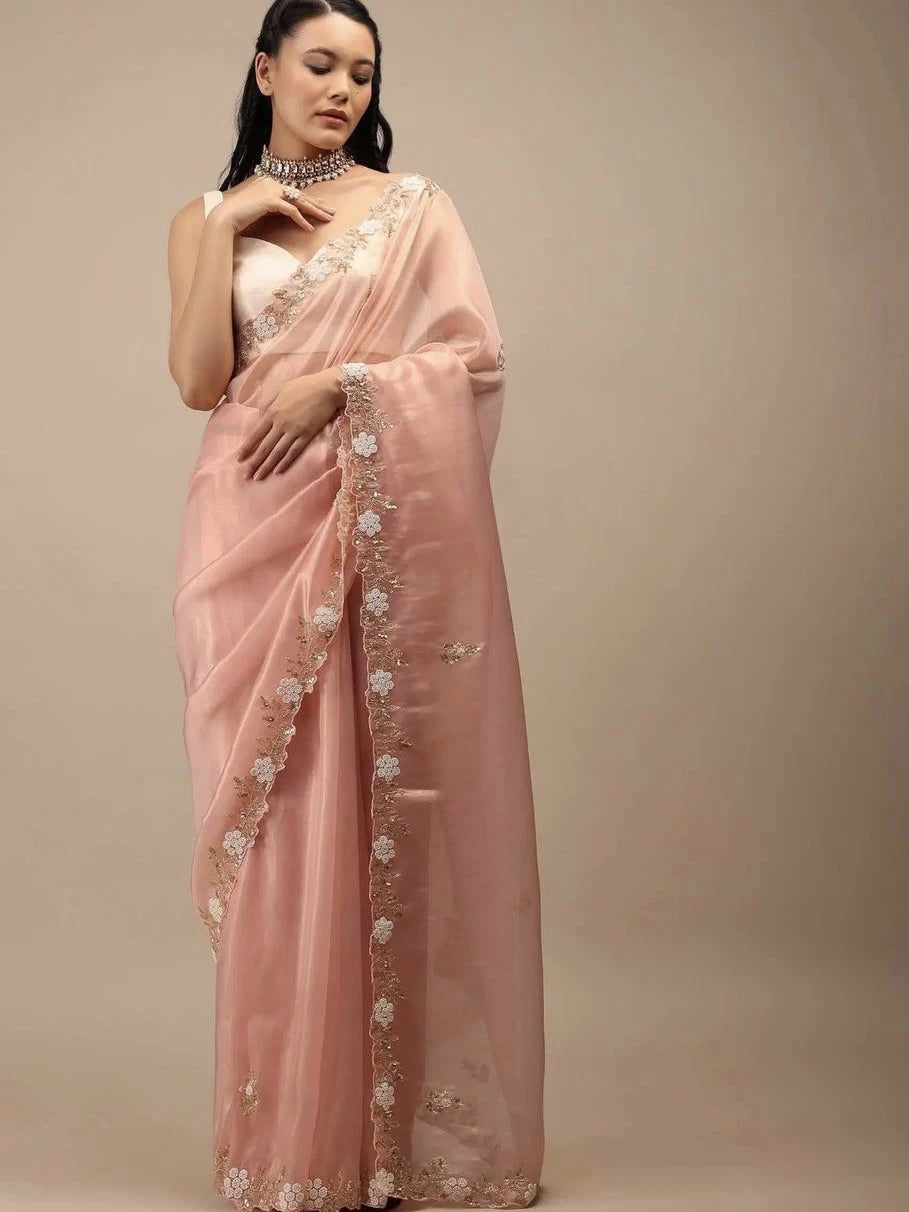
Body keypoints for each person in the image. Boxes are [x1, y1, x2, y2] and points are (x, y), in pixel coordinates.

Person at [167, 4, 545, 1211]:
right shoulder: (202, 216)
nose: (341, 89)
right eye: (320, 64)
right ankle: (293, 1145)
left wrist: (342, 384)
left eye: (363, 73)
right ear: (265, 68)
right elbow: (198, 382)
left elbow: (473, 361)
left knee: (372, 798)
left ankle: (382, 1145)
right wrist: (228, 220)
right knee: (281, 825)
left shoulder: (413, 209)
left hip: (368, 520)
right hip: (246, 528)